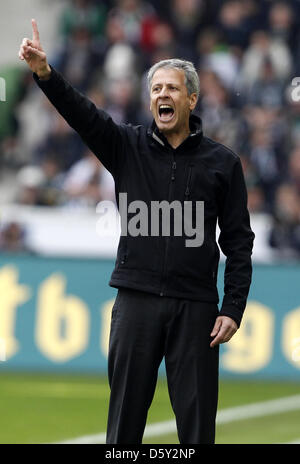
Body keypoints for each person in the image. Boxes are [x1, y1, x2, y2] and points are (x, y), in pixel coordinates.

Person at [18, 19, 255, 444]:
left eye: (172, 88)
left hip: (196, 309)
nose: (162, 95)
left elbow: (239, 242)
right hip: (136, 302)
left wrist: (232, 307)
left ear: (192, 99)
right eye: (156, 89)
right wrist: (45, 75)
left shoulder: (223, 163)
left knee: (197, 431)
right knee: (123, 429)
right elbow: (83, 114)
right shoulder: (126, 146)